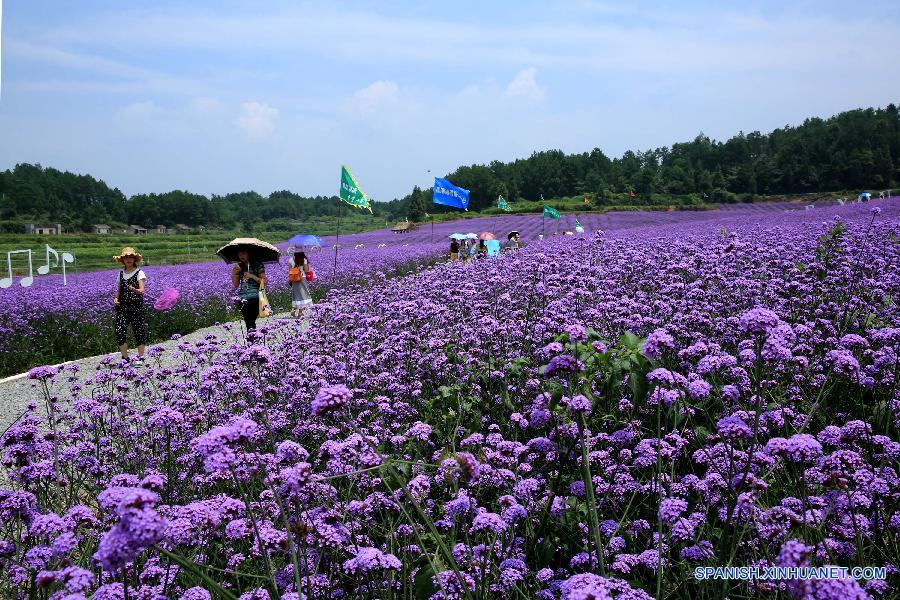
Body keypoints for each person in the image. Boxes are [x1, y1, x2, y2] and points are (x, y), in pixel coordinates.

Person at [113, 247, 148, 361]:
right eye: (126, 257)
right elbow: (119, 290)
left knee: (139, 330)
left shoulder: (139, 272)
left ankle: (141, 357)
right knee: (119, 330)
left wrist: (134, 289)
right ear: (123, 260)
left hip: (136, 306)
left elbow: (142, 290)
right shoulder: (121, 274)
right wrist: (116, 299)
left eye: (131, 257)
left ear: (134, 259)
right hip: (122, 307)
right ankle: (125, 357)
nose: (128, 259)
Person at [232, 249, 266, 332]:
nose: (241, 256)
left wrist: (252, 276)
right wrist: (235, 273)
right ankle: (252, 339)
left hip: (255, 296)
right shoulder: (239, 267)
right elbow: (236, 285)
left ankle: (252, 338)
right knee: (247, 320)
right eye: (239, 254)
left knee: (251, 320)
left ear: (249, 254)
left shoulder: (258, 265)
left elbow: (264, 283)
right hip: (242, 297)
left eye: (243, 253)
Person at [288, 251, 313, 317]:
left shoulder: (290, 259)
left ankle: (293, 310)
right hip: (302, 278)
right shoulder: (304, 260)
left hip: (294, 279)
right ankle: (300, 312)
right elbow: (306, 270)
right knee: (303, 294)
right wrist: (306, 264)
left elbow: (289, 271)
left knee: (296, 294)